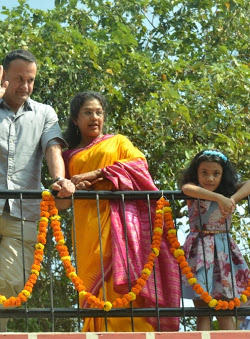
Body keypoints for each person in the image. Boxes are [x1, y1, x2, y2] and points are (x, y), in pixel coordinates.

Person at [0, 49, 75, 333]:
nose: (25, 86)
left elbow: (53, 148)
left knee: (10, 284)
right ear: (4, 77)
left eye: (30, 80)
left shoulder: (45, 112)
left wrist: (59, 179)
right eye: (19, 78)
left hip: (25, 213)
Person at [58, 91, 181, 332]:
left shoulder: (118, 142)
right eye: (87, 112)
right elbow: (62, 201)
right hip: (88, 228)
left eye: (99, 112)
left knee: (123, 283)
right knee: (96, 289)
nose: (94, 117)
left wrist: (96, 174)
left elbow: (138, 165)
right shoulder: (67, 155)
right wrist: (78, 187)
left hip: (122, 227)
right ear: (75, 119)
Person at [179, 149, 250, 331]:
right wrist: (219, 198)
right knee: (202, 308)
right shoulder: (194, 191)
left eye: (216, 174)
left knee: (225, 307)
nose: (210, 178)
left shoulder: (229, 193)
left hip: (223, 251)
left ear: (223, 175)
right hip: (200, 251)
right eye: (204, 173)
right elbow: (187, 188)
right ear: (196, 173)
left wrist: (232, 198)